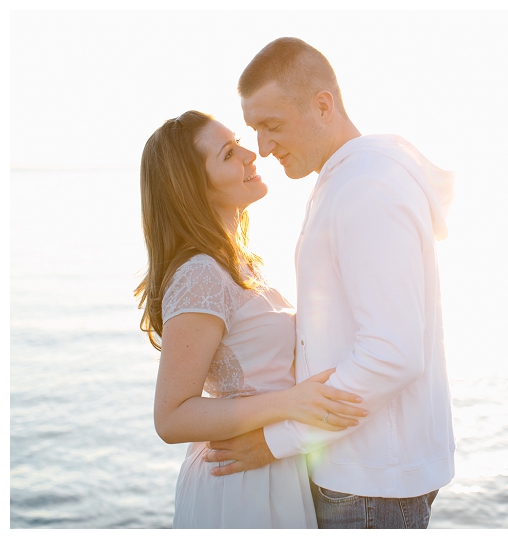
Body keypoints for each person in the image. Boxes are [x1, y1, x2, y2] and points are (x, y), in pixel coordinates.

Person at [204, 37, 457, 529]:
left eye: (272, 126)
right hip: (360, 473)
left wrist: (277, 439)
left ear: (323, 106)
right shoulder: (346, 179)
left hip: (367, 484)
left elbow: (392, 351)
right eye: (255, 129)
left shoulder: (366, 187)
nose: (262, 147)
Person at [135, 110, 367, 528]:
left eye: (239, 141)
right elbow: (170, 418)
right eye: (228, 153)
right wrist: (291, 403)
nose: (250, 153)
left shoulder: (239, 263)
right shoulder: (200, 275)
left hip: (271, 468)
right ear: (194, 187)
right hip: (238, 489)